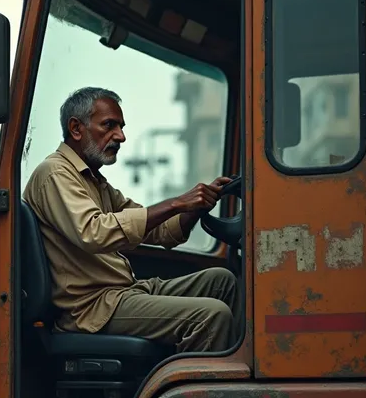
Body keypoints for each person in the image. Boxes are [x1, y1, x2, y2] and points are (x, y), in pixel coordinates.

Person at [24, 87, 240, 353]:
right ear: (76, 129)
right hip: (92, 308)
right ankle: (192, 392)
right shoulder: (54, 174)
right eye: (109, 126)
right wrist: (175, 203)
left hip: (125, 292)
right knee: (211, 315)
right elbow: (93, 233)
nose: (121, 136)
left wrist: (195, 205)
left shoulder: (95, 181)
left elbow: (161, 231)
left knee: (223, 281)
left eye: (121, 127)